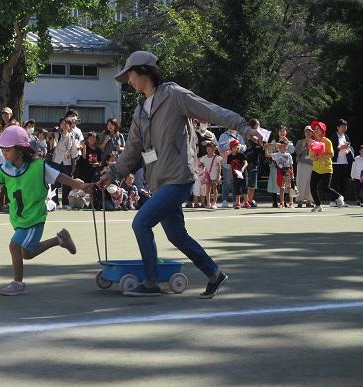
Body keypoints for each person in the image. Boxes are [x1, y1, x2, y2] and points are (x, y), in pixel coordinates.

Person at [98, 51, 261, 297]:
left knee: (141, 223)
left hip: (179, 177)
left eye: (129, 74)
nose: (128, 81)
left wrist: (243, 126)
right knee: (176, 235)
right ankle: (214, 274)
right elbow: (132, 149)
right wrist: (113, 173)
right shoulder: (140, 111)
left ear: (143, 71)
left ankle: (151, 283)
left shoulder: (174, 95)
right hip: (159, 181)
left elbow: (210, 110)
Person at [0, 125, 92, 295]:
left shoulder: (39, 167)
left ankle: (18, 284)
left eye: (7, 150)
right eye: (2, 150)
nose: (4, 153)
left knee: (14, 246)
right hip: (18, 218)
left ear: (21, 150)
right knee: (26, 254)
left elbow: (61, 177)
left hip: (34, 218)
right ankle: (60, 239)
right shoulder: (5, 170)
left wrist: (81, 185)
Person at [309, 120, 345, 212]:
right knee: (312, 188)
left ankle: (339, 196)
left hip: (326, 168)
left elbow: (332, 154)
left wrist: (322, 155)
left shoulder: (327, 141)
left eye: (318, 129)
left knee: (325, 188)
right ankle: (318, 205)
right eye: (315, 129)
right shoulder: (313, 143)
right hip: (316, 168)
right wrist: (315, 157)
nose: (316, 130)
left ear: (322, 130)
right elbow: (311, 156)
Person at [50, 117, 79, 209]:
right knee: (55, 182)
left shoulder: (72, 137)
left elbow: (74, 153)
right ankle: (54, 202)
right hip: (56, 161)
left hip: (67, 162)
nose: (64, 125)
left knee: (67, 182)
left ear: (70, 125)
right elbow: (52, 143)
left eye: (66, 123)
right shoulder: (57, 134)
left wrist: (74, 166)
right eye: (62, 123)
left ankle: (66, 202)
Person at [266, 127, 295, 207]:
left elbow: (292, 150)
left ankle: (285, 202)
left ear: (286, 132)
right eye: (280, 131)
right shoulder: (274, 142)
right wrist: (275, 149)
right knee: (275, 183)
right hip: (275, 166)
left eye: (283, 131)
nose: (282, 132)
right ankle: (275, 201)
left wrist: (287, 141)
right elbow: (269, 153)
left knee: (287, 186)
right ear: (278, 132)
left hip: (286, 168)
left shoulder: (289, 143)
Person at [218, 127, 246, 208]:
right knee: (227, 182)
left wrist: (239, 146)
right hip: (227, 163)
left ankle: (235, 201)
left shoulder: (239, 136)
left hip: (238, 164)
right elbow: (221, 147)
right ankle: (224, 200)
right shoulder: (223, 135)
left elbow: (244, 147)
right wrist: (231, 144)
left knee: (236, 182)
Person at [330, 119, 353, 203]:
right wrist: (340, 148)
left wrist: (348, 147)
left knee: (343, 182)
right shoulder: (334, 136)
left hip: (344, 162)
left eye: (345, 126)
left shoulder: (346, 136)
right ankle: (333, 200)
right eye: (342, 126)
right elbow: (331, 149)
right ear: (338, 127)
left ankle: (341, 200)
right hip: (335, 162)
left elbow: (349, 148)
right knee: (334, 182)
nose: (344, 128)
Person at [295, 126, 315, 207]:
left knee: (310, 183)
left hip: (312, 164)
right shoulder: (300, 142)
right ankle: (299, 200)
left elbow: (317, 153)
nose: (308, 133)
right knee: (300, 182)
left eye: (310, 131)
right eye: (306, 131)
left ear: (312, 133)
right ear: (304, 132)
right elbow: (297, 152)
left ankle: (309, 200)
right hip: (302, 164)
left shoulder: (315, 142)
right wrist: (303, 146)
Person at [227, 139, 249, 209]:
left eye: (237, 146)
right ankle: (238, 203)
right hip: (235, 175)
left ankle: (246, 202)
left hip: (243, 174)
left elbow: (246, 163)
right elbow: (230, 166)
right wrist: (231, 174)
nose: (237, 147)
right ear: (232, 147)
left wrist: (242, 168)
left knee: (244, 188)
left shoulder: (241, 155)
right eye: (235, 146)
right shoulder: (229, 156)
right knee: (237, 189)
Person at [200, 142, 222, 208]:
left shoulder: (217, 157)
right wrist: (203, 169)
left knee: (214, 189)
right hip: (207, 176)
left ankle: (214, 203)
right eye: (207, 148)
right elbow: (201, 164)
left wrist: (218, 176)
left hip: (214, 175)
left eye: (210, 148)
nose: (208, 150)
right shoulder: (204, 157)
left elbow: (219, 167)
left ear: (213, 149)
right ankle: (208, 203)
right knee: (208, 189)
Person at [244, 138, 263, 207]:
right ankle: (247, 201)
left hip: (254, 169)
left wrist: (258, 140)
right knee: (247, 186)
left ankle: (250, 200)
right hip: (247, 170)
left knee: (252, 186)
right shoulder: (246, 151)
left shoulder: (257, 149)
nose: (250, 143)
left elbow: (261, 146)